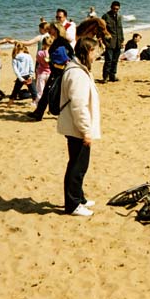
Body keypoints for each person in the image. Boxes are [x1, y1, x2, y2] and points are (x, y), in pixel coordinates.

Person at [57, 37, 101, 217]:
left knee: (78, 164)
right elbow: (78, 105)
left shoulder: (78, 69)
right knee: (77, 166)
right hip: (77, 128)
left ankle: (79, 197)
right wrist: (86, 131)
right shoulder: (77, 73)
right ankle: (73, 204)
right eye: (94, 51)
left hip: (75, 126)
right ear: (88, 51)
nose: (96, 55)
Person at [28, 22, 73, 120]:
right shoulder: (59, 41)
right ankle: (39, 113)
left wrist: (54, 63)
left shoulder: (59, 42)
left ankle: (40, 113)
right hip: (58, 71)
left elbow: (65, 57)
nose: (49, 30)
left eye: (51, 28)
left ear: (56, 30)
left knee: (51, 92)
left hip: (59, 72)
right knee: (48, 92)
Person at [7, 42, 37, 106]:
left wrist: (20, 78)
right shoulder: (28, 56)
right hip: (28, 75)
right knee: (33, 91)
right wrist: (31, 75)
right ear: (23, 48)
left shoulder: (15, 57)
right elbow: (31, 66)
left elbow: (16, 70)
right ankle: (35, 102)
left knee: (15, 91)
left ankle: (10, 103)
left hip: (21, 76)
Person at [101, 1, 124, 83]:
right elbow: (102, 30)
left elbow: (120, 29)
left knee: (115, 60)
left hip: (118, 42)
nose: (115, 10)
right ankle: (105, 77)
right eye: (114, 8)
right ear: (111, 7)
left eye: (117, 9)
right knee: (108, 60)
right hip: (109, 42)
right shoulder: (105, 16)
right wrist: (104, 41)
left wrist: (122, 41)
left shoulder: (119, 17)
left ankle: (112, 76)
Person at [35, 36, 53, 106]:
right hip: (49, 72)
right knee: (49, 89)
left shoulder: (40, 53)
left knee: (40, 90)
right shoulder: (51, 53)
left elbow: (38, 61)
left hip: (41, 72)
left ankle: (38, 103)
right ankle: (49, 103)